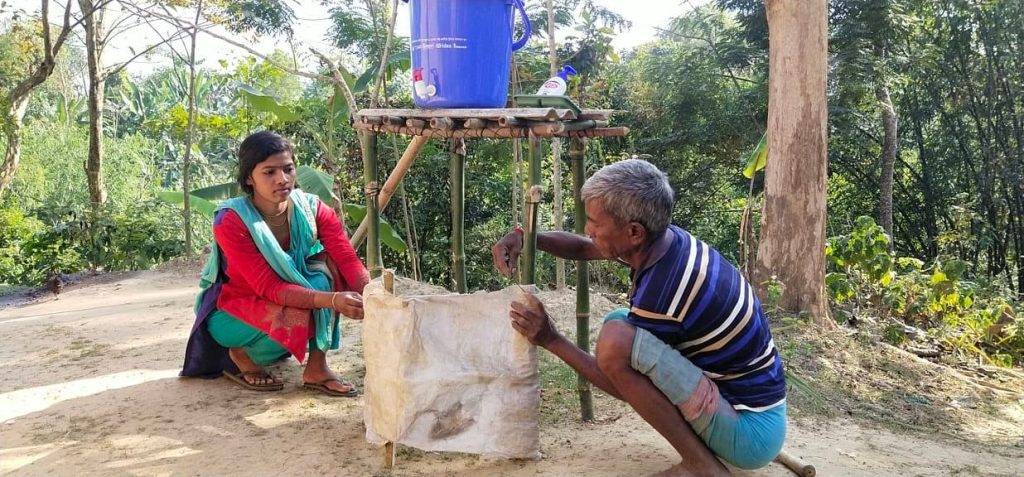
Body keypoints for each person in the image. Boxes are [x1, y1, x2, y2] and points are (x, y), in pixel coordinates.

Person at [491, 160, 786, 476]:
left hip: (748, 431)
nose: (588, 231)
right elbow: (583, 247)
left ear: (633, 232)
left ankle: (702, 466)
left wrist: (550, 338)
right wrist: (527, 236)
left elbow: (623, 385)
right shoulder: (666, 241)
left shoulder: (664, 292)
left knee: (617, 341)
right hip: (755, 406)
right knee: (621, 322)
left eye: (594, 223)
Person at [181, 131, 370, 397]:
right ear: (249, 178)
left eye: (288, 169)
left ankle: (317, 367)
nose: (282, 179)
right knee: (309, 305)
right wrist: (333, 300)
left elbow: (346, 257)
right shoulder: (231, 220)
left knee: (325, 273)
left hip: (289, 297)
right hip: (235, 310)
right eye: (269, 172)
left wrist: (374, 294)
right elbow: (268, 287)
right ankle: (241, 354)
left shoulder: (312, 208)